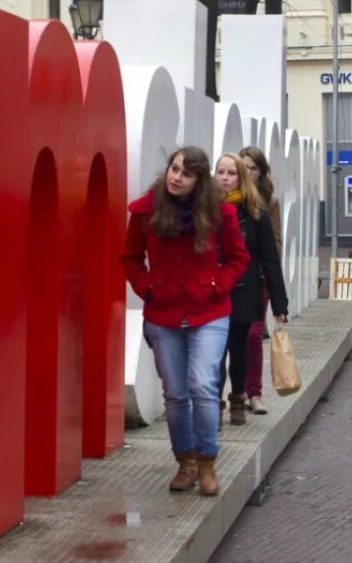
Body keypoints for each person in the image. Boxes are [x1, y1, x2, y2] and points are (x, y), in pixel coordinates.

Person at [122, 146, 250, 496]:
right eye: (174, 169)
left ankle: (208, 462)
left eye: (186, 173)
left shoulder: (218, 212)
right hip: (163, 313)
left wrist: (217, 286)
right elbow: (130, 257)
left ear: (198, 181)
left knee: (203, 385)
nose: (176, 177)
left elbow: (239, 257)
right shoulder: (146, 210)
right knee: (176, 395)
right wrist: (148, 287)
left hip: (209, 311)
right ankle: (186, 462)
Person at [214, 152, 289, 426]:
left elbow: (269, 257)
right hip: (213, 293)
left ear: (242, 178)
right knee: (215, 352)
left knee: (239, 348)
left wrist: (280, 304)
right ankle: (215, 405)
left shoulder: (257, 213)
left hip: (245, 290)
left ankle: (237, 398)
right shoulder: (205, 210)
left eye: (231, 173)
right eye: (220, 172)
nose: (225, 178)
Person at [239, 146, 282, 416]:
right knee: (234, 337)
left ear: (261, 172)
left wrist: (272, 276)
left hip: (258, 278)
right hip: (232, 280)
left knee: (254, 335)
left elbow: (276, 240)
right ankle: (237, 392)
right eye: (244, 167)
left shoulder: (270, 202)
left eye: (253, 168)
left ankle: (254, 393)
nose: (249, 173)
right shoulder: (224, 199)